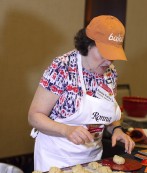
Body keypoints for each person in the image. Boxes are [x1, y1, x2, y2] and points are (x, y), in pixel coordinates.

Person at [28, 15, 135, 172]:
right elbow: (34, 116)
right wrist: (66, 130)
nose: (109, 61)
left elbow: (108, 112)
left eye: (113, 56)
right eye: (104, 53)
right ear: (88, 45)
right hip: (56, 159)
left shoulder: (110, 73)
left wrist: (117, 129)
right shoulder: (62, 68)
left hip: (92, 159)